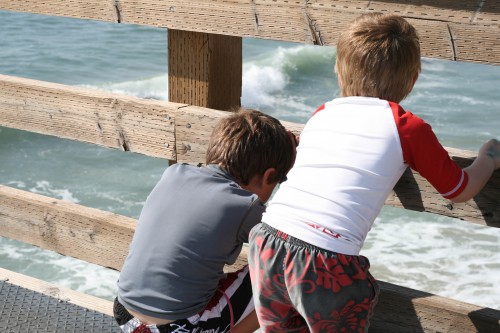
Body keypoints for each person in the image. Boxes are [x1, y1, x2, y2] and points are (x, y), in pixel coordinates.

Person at [247, 12, 500, 333]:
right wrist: (488, 158)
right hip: (326, 263)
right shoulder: (407, 127)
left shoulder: (322, 114)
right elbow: (459, 190)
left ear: (339, 72)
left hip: (267, 239)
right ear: (414, 78)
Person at [114, 108, 297, 333]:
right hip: (181, 328)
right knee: (287, 267)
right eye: (278, 181)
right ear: (269, 176)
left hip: (125, 313)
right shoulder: (245, 205)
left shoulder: (175, 173)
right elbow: (290, 241)